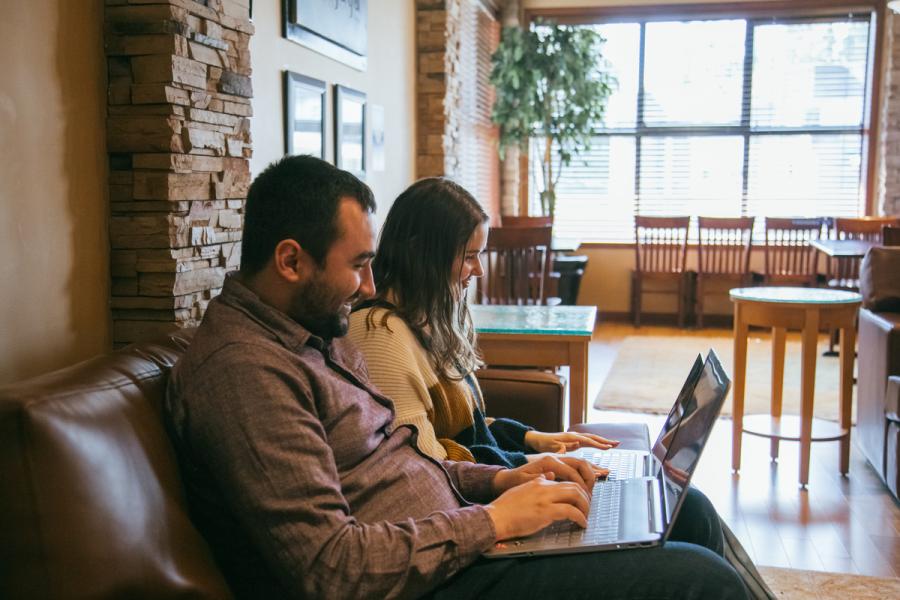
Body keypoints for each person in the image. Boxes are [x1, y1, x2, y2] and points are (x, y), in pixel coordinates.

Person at [164, 155, 749, 599]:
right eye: (359, 265)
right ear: (291, 261)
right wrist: (492, 521)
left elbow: (405, 459)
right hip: (431, 580)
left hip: (458, 538)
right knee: (701, 581)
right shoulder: (245, 373)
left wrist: (501, 482)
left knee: (687, 510)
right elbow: (330, 566)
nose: (370, 288)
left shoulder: (315, 332)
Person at [348, 177, 617, 468]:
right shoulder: (380, 333)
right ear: (421, 254)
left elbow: (465, 428)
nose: (479, 271)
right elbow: (426, 464)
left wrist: (533, 439)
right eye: (469, 257)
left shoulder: (425, 316)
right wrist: (533, 464)